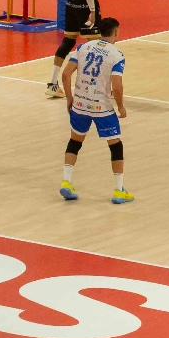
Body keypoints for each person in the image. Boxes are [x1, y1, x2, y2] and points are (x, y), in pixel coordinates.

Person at [59, 16, 133, 204]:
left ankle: (66, 181)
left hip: (80, 104)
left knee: (75, 142)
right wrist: (120, 106)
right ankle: (118, 190)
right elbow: (117, 86)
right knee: (115, 145)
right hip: (102, 107)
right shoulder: (117, 55)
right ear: (116, 32)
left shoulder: (83, 47)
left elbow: (66, 74)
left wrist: (69, 98)